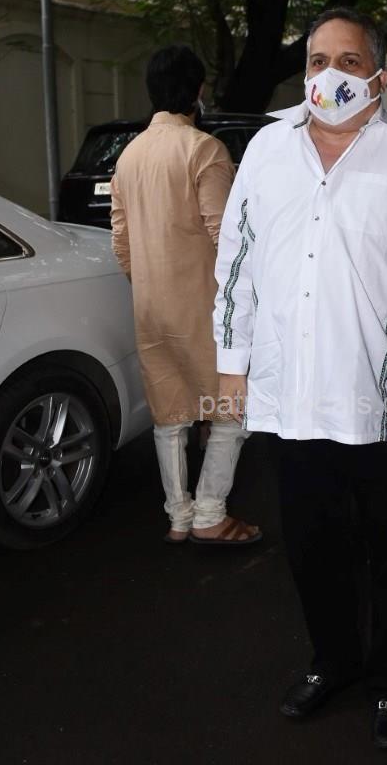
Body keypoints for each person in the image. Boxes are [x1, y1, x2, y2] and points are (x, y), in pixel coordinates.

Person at [213, 9, 387, 749]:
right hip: (293, 399)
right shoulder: (267, 150)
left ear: (378, 76)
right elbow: (236, 264)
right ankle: (333, 661)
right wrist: (232, 365)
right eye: (317, 60)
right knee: (313, 552)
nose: (329, 75)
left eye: (347, 61)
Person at [111, 45, 261, 546]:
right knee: (230, 408)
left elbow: (121, 242)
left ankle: (178, 515)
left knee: (169, 411)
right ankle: (210, 513)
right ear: (197, 90)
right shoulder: (205, 150)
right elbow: (226, 238)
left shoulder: (128, 156)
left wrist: (150, 283)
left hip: (150, 306)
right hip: (204, 307)